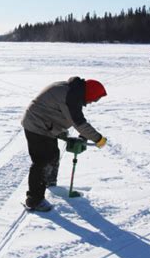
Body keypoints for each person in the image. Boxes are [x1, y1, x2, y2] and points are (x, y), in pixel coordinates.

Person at [21, 77, 107, 212]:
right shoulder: (70, 96)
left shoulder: (72, 91)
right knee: (42, 162)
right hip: (36, 125)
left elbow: (60, 113)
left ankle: (50, 184)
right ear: (89, 93)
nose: (90, 102)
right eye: (93, 99)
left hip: (45, 125)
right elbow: (79, 122)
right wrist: (98, 139)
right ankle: (34, 200)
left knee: (53, 155)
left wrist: (63, 134)